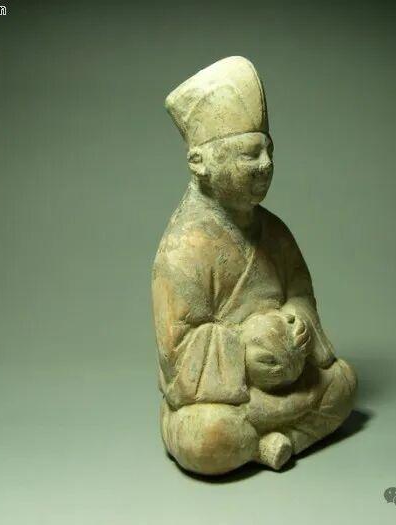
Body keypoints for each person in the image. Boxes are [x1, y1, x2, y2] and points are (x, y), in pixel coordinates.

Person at [152, 56, 357, 475]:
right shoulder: (183, 248)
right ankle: (267, 440)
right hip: (229, 397)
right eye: (249, 154)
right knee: (205, 437)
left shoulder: (275, 232)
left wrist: (298, 321)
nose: (266, 165)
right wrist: (244, 346)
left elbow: (299, 290)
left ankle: (270, 443)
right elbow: (178, 350)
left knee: (343, 384)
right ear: (200, 163)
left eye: (269, 150)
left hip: (287, 376)